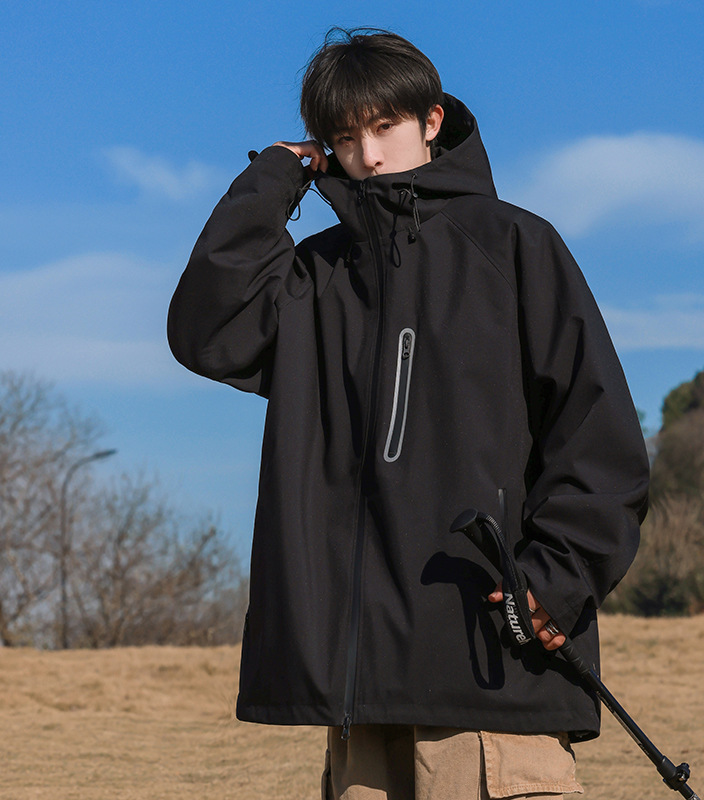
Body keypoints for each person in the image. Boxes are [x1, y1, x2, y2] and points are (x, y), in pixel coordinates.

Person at [168, 28, 649, 800]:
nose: (369, 155)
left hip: (491, 675)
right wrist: (276, 173)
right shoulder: (314, 279)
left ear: (431, 121)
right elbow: (206, 329)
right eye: (343, 138)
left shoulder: (515, 245)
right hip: (361, 700)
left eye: (385, 126)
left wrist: (556, 581)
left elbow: (600, 441)